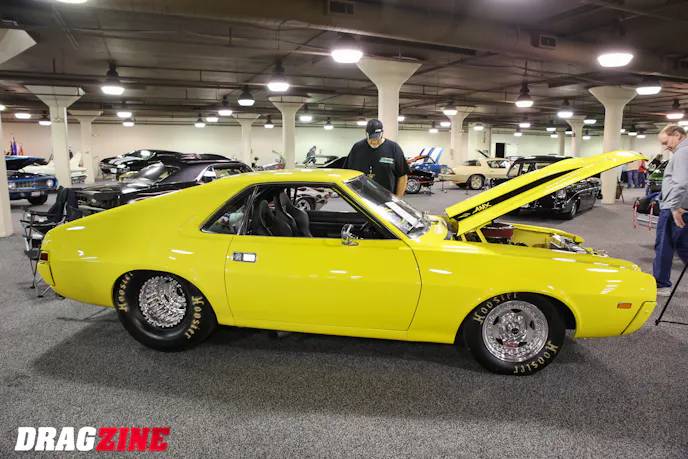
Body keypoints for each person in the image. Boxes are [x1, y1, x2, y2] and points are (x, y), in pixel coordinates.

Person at [653, 125, 688, 296]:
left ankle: (661, 284)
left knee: (664, 246)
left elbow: (681, 183)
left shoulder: (682, 152)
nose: (665, 147)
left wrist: (674, 207)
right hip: (682, 206)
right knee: (683, 246)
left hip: (675, 208)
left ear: (677, 134)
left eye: (666, 142)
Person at [343, 119, 412, 198]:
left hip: (387, 199)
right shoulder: (357, 148)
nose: (374, 142)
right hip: (362, 199)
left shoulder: (393, 148)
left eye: (377, 139)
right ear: (365, 133)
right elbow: (348, 173)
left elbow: (403, 175)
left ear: (382, 133)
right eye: (371, 139)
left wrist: (398, 198)